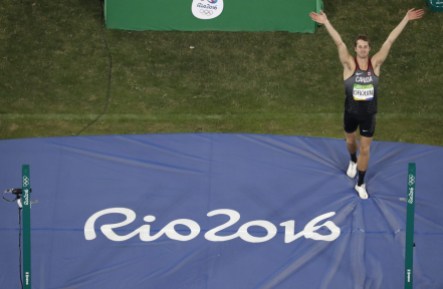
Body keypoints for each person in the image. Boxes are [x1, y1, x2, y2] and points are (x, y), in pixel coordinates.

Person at [309, 8, 425, 199]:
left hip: (369, 116)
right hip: (350, 113)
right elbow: (339, 42)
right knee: (350, 141)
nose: (363, 49)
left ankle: (361, 183)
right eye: (360, 46)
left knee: (366, 148)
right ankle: (352, 161)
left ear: (369, 49)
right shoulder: (349, 65)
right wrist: (326, 22)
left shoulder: (376, 64)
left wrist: (405, 18)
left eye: (365, 46)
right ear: (355, 49)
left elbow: (389, 40)